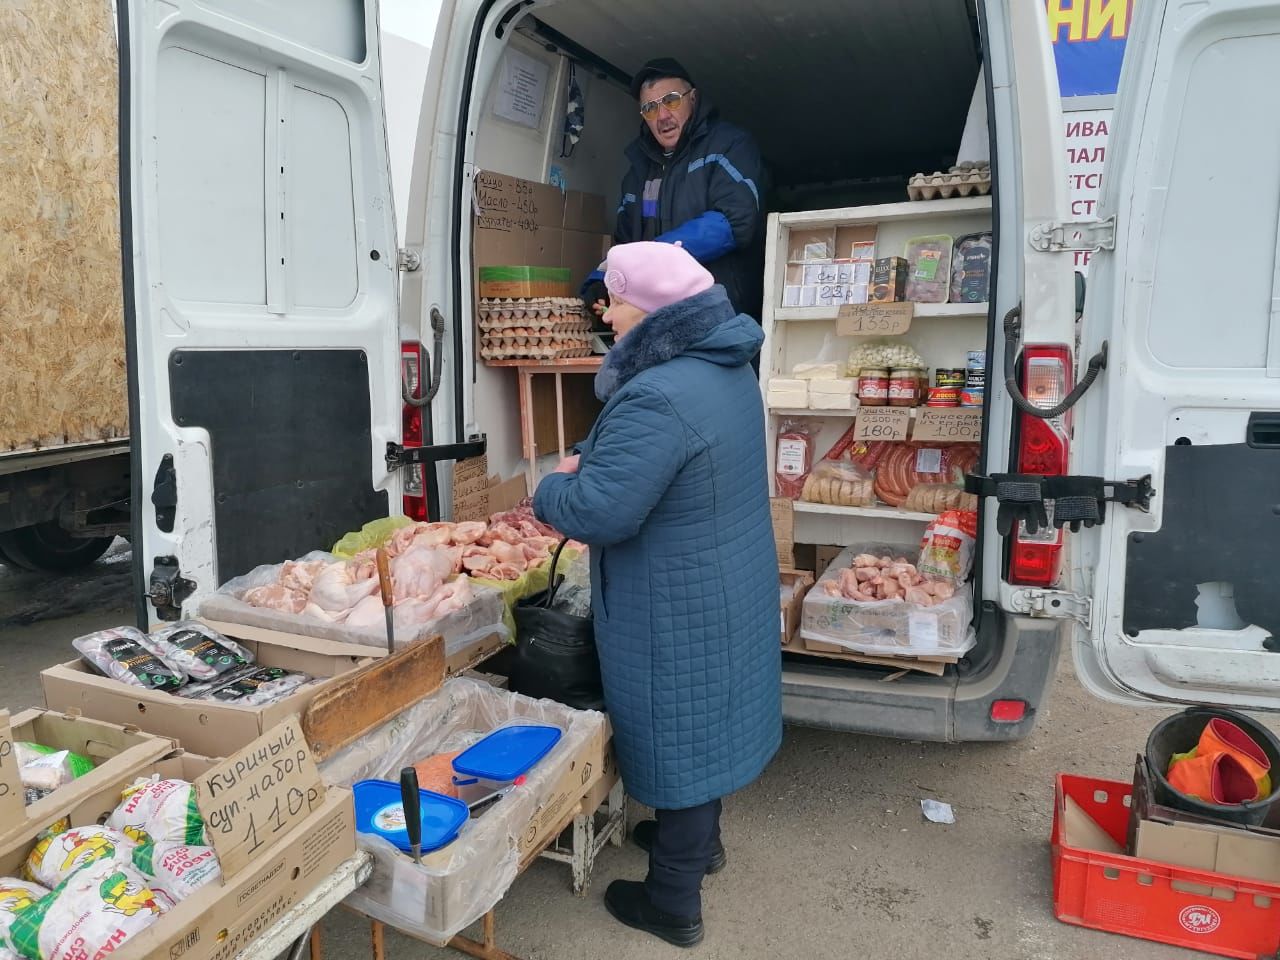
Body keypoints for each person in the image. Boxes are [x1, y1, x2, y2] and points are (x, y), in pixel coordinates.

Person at [534, 241, 782, 947]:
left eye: (612, 300)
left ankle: (673, 901)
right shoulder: (720, 366)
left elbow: (601, 513)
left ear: (647, 307)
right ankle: (698, 846)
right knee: (711, 722)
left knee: (683, 731)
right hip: (720, 579)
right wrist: (602, 459)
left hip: (675, 597)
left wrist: (550, 488)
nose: (606, 315)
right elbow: (659, 461)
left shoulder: (658, 391)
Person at [582, 58, 768, 325]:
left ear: (693, 98)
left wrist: (653, 255)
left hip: (720, 319)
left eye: (671, 100)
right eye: (649, 108)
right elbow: (625, 246)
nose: (662, 116)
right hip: (657, 323)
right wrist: (602, 279)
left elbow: (734, 221)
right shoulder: (637, 172)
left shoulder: (729, 146)